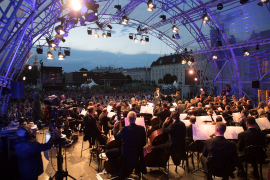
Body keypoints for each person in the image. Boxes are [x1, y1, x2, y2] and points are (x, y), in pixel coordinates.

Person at [106, 111, 147, 177]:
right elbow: (144, 143)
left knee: (108, 152)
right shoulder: (142, 129)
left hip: (126, 152)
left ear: (127, 119)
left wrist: (115, 127)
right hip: (137, 153)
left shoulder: (125, 129)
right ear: (135, 118)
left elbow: (116, 137)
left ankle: (117, 171)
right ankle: (136, 170)